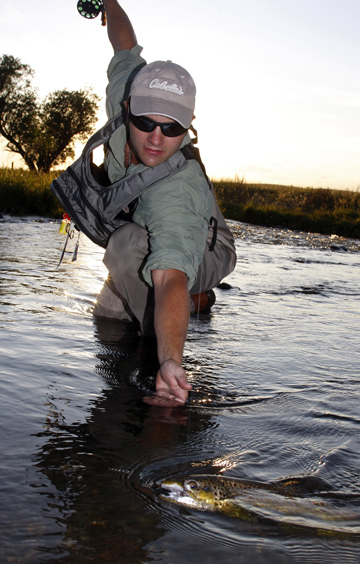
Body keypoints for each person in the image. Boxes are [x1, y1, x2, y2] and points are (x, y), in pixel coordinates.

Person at [91, 0, 236, 407]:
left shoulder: (178, 188)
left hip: (207, 244)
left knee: (127, 246)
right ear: (126, 107)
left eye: (171, 127)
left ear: (189, 124)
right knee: (107, 316)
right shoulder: (126, 85)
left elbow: (169, 273)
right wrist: (109, 3)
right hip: (149, 227)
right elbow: (124, 43)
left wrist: (169, 361)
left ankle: (179, 315)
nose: (156, 138)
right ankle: (186, 307)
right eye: (145, 122)